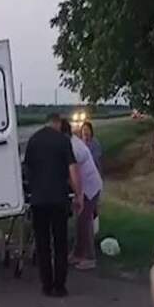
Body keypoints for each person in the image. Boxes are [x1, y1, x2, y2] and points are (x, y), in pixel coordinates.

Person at [24, 113, 83, 297]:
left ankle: (46, 285)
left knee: (42, 244)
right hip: (59, 199)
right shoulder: (63, 141)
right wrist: (79, 195)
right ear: (57, 123)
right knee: (60, 243)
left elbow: (27, 170)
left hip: (38, 200)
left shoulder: (33, 140)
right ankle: (60, 286)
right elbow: (72, 170)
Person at [62, 120, 103, 270]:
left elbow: (75, 175)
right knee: (80, 222)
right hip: (86, 187)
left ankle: (90, 258)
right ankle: (78, 254)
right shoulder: (72, 143)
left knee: (85, 222)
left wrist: (78, 195)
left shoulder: (74, 147)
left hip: (89, 188)